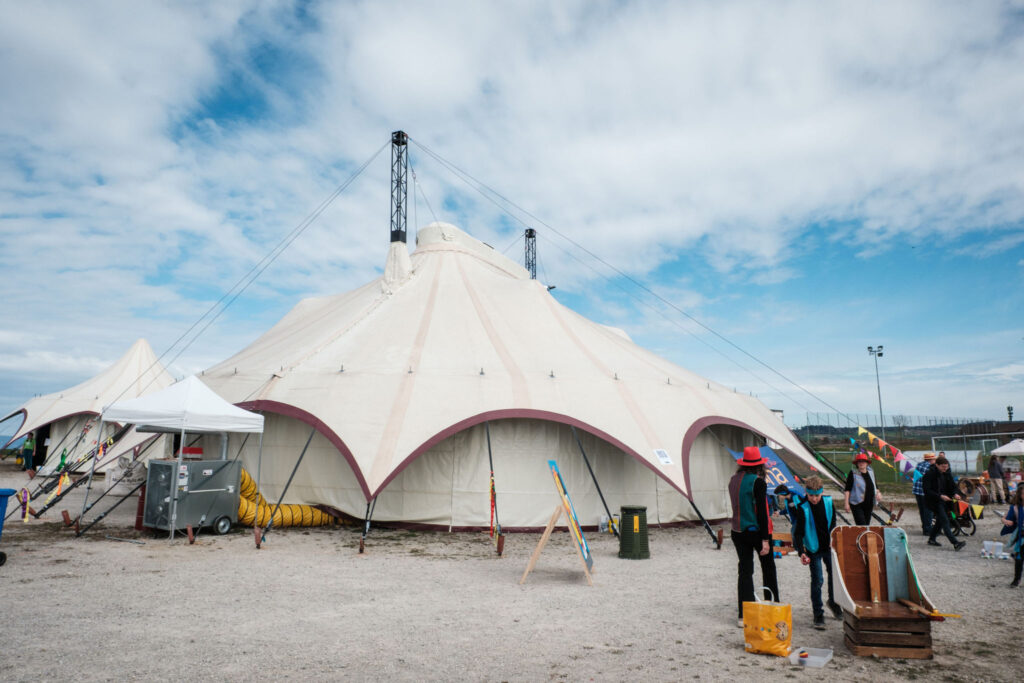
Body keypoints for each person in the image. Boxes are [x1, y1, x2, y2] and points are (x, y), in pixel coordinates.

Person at [729, 446, 779, 627]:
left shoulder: (733, 480)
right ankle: (773, 607)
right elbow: (762, 513)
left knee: (745, 572)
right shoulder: (758, 482)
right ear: (759, 465)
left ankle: (744, 615)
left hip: (737, 530)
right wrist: (765, 539)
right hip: (756, 531)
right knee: (768, 569)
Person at [792, 476, 843, 629]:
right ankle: (818, 613)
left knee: (834, 577)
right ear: (806, 493)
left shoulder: (828, 502)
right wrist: (801, 552)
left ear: (822, 492)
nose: (814, 499)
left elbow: (833, 522)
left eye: (817, 495)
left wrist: (833, 538)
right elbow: (798, 533)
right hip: (813, 549)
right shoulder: (802, 508)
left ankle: (833, 603)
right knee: (817, 580)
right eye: (811, 496)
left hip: (828, 547)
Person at [923, 455, 966, 551]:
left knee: (940, 521)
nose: (945, 468)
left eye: (946, 466)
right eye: (943, 467)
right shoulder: (929, 474)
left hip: (945, 501)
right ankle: (955, 543)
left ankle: (932, 539)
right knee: (945, 520)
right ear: (937, 465)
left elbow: (953, 486)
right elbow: (927, 490)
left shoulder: (947, 474)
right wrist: (940, 496)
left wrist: (955, 494)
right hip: (933, 501)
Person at [843, 453, 883, 525]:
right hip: (856, 504)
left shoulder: (871, 473)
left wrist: (878, 494)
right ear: (857, 463)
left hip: (869, 504)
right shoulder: (853, 473)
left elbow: (875, 487)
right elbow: (847, 490)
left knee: (866, 525)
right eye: (859, 461)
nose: (861, 463)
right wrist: (846, 504)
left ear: (867, 463)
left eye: (863, 461)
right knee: (861, 525)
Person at [1000, 485, 1024, 587]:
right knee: (1019, 558)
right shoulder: (1015, 507)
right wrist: (1006, 521)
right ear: (1020, 495)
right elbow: (1004, 518)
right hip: (1021, 535)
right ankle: (1016, 579)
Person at [912, 453, 937, 535]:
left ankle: (924, 527)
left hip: (917, 491)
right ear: (931, 460)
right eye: (934, 459)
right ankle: (928, 529)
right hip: (925, 492)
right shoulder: (930, 467)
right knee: (928, 511)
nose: (935, 461)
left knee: (922, 510)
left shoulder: (919, 465)